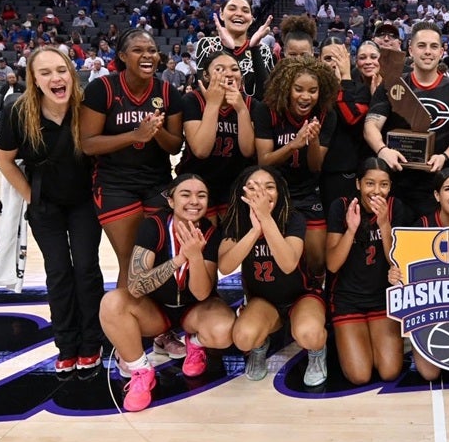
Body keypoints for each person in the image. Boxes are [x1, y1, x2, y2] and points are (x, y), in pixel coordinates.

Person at [0, 47, 105, 379]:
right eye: (45, 73)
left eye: (61, 70)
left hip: (85, 200)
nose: (55, 78)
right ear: (34, 80)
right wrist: (32, 197)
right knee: (58, 272)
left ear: (72, 73)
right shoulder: (17, 111)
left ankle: (92, 342)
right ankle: (66, 345)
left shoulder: (87, 107)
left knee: (86, 268)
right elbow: (4, 159)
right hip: (46, 203)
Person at [99, 175, 237, 412]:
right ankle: (141, 370)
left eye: (201, 196)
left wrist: (194, 257)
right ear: (171, 201)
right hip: (156, 311)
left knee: (223, 331)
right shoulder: (153, 226)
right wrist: (179, 259)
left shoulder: (212, 233)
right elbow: (135, 286)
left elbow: (202, 294)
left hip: (194, 309)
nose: (194, 201)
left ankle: (194, 344)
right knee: (112, 302)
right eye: (186, 194)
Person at [80, 28, 183, 288]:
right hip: (115, 183)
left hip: (157, 182)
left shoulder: (168, 92)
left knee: (156, 258)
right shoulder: (102, 88)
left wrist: (156, 133)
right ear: (123, 56)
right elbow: (88, 144)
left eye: (151, 50)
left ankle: (156, 325)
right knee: (130, 260)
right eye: (138, 50)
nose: (147, 55)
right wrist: (136, 135)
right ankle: (125, 323)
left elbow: (174, 146)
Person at [218, 166, 328, 386]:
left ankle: (317, 353)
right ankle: (260, 344)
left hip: (301, 295)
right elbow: (226, 266)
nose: (261, 193)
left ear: (280, 193)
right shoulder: (237, 219)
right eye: (253, 187)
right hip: (264, 300)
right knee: (243, 338)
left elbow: (288, 264)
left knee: (309, 333)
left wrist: (266, 221)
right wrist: (253, 231)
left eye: (269, 187)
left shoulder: (293, 218)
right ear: (243, 193)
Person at [364, 21, 449, 217]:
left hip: (437, 187)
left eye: (434, 46)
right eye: (421, 46)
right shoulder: (393, 85)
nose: (428, 52)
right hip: (397, 184)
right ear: (410, 50)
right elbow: (371, 125)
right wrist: (383, 150)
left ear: (442, 51)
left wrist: (444, 156)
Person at [326, 158, 414, 384]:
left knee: (389, 372)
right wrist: (351, 230)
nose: (377, 191)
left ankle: (367, 341)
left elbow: (397, 261)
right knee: (359, 376)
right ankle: (344, 343)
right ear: (358, 184)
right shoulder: (341, 206)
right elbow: (332, 264)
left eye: (384, 184)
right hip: (347, 298)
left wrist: (385, 224)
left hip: (382, 298)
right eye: (370, 183)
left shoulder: (396, 207)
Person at [253, 56, 339, 280]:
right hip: (274, 193)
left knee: (317, 260)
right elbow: (264, 161)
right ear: (286, 88)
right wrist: (293, 145)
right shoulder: (267, 110)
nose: (306, 96)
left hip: (308, 192)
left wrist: (312, 141)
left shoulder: (326, 115)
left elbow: (315, 166)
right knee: (275, 257)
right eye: (298, 89)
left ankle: (313, 298)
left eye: (313, 91)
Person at [178, 51, 256, 223]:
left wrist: (241, 110)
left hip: (235, 182)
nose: (229, 73)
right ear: (206, 75)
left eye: (234, 69)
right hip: (198, 180)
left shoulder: (251, 104)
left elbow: (248, 150)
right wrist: (213, 104)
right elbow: (201, 150)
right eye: (220, 69)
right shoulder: (192, 100)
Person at [319, 37, 375, 209]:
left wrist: (344, 79)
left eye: (339, 58)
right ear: (318, 60)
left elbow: (351, 118)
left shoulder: (360, 89)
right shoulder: (312, 89)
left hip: (345, 173)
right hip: (314, 172)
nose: (334, 63)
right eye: (328, 59)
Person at [194, 0, 274, 100]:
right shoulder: (207, 45)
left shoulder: (263, 50)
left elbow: (267, 95)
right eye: (232, 9)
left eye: (245, 11)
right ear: (221, 14)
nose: (239, 14)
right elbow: (204, 88)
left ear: (251, 19)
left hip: (252, 114)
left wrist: (255, 48)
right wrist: (229, 49)